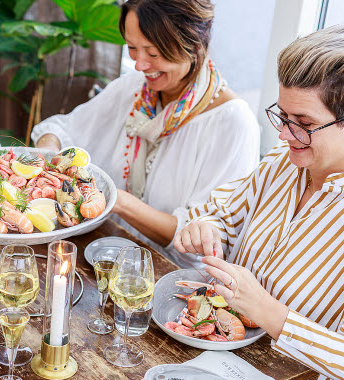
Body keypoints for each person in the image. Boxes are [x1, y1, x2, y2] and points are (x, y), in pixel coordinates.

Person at [33, 0, 260, 268]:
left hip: (172, 276)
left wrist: (115, 199)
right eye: (132, 48)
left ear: (195, 44)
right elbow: (61, 129)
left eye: (153, 53)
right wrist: (44, 156)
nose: (139, 64)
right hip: (105, 252)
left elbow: (204, 238)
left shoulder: (233, 124)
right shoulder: (135, 89)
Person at [174, 26, 344, 379]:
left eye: (304, 122)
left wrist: (270, 313)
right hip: (212, 358)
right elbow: (222, 216)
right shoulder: (284, 159)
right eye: (282, 115)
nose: (283, 134)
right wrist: (207, 228)